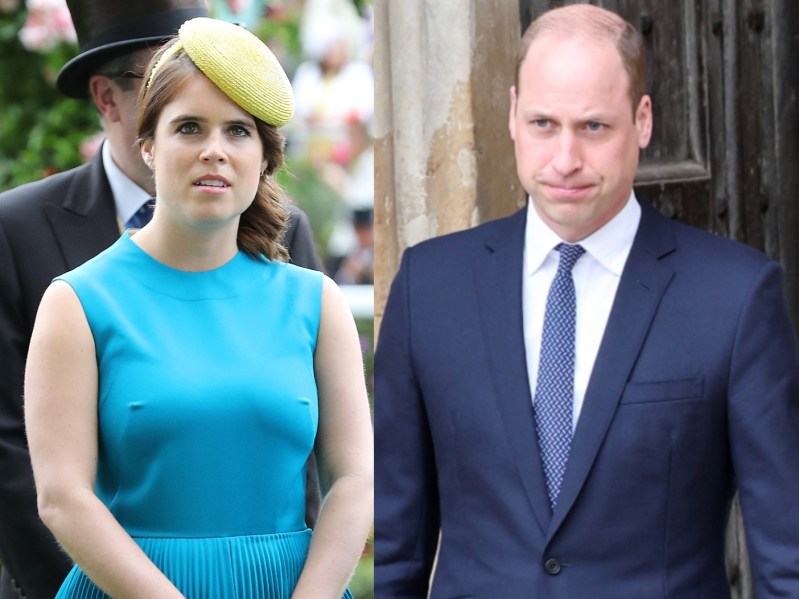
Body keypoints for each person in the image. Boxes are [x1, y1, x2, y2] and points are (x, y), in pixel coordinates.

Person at [374, 4, 799, 598]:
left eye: (593, 127)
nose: (565, 160)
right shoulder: (428, 286)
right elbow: (399, 549)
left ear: (642, 120)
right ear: (514, 115)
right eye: (545, 123)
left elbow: (786, 554)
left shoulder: (735, 297)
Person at [24, 16, 373, 598]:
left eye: (238, 131)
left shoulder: (315, 301)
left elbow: (354, 480)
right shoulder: (77, 302)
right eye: (189, 127)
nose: (215, 150)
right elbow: (62, 497)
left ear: (265, 155)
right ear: (148, 145)